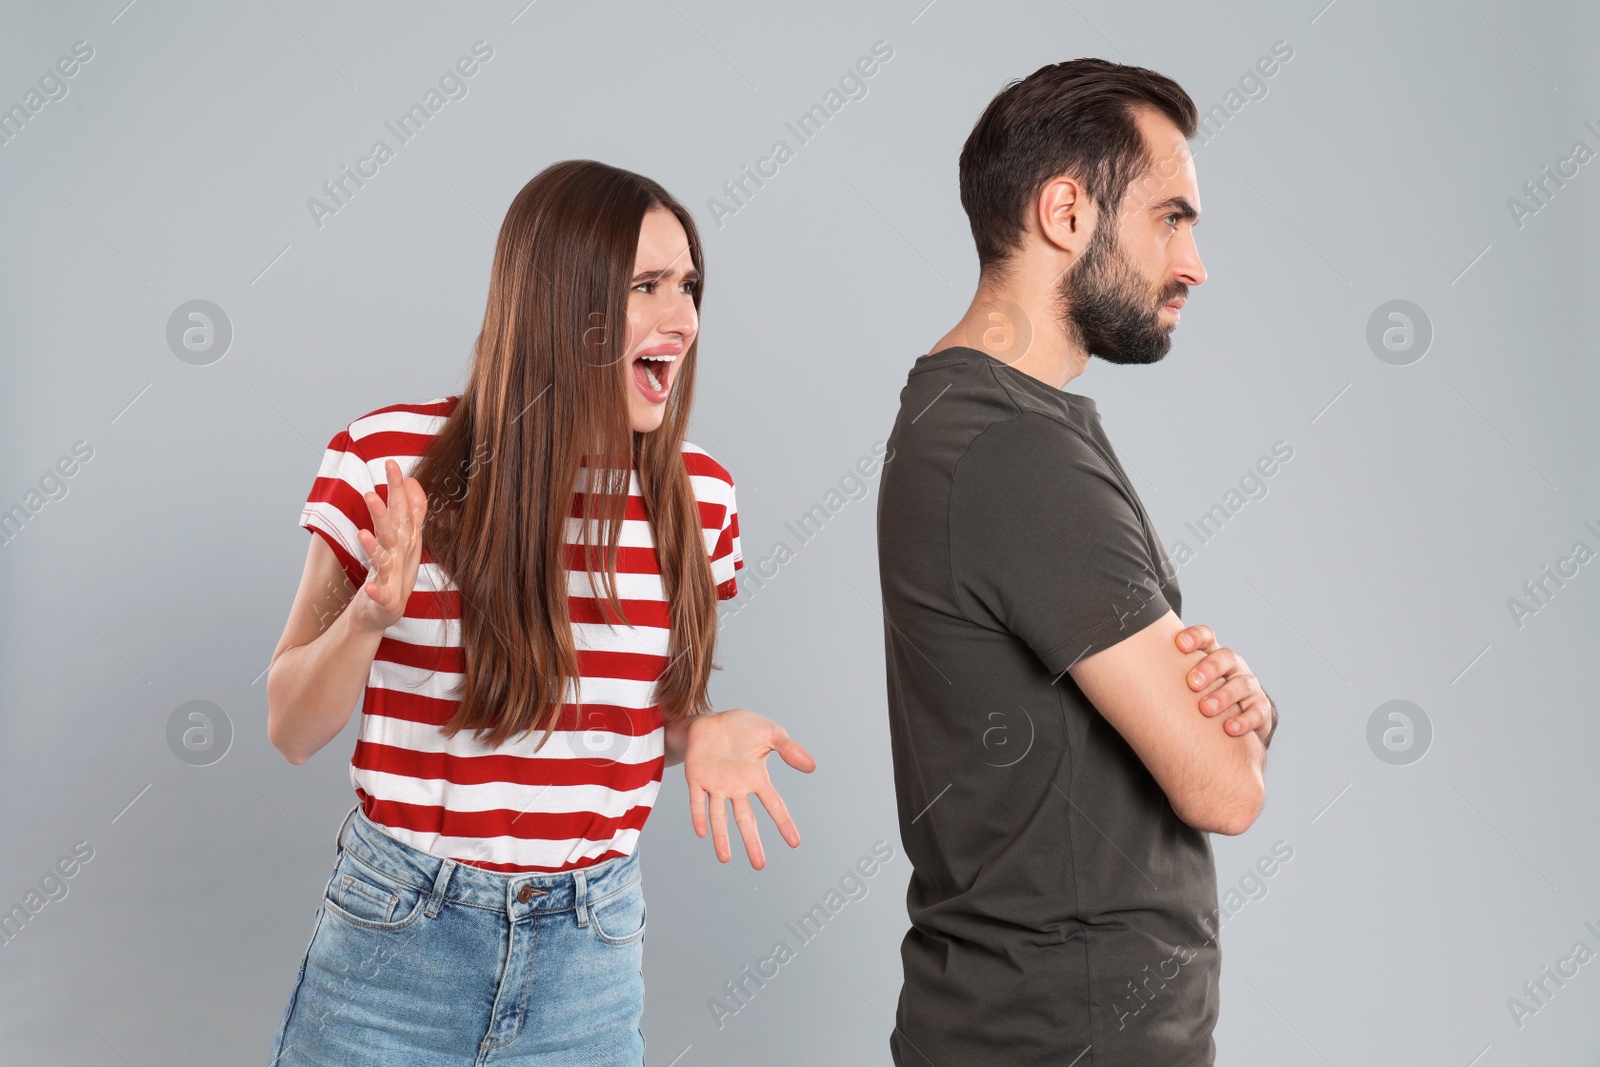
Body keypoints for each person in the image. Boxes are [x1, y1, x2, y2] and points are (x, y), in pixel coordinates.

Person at [263, 159, 814, 1066]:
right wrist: (368, 617)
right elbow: (290, 724)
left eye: (690, 287)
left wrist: (698, 730)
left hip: (586, 958)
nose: (683, 319)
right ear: (564, 302)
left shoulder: (698, 495)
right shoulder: (387, 459)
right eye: (647, 286)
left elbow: (634, 713)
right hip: (396, 943)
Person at [875, 59, 1279, 1065]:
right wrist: (1232, 737)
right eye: (1170, 218)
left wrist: (1242, 718)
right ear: (1065, 211)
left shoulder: (996, 425)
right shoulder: (1013, 449)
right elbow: (1221, 790)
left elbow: (1211, 750)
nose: (1193, 263)